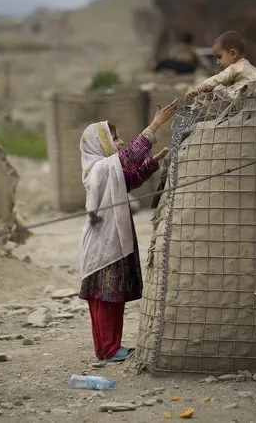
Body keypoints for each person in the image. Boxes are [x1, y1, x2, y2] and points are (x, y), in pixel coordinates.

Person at [78, 101, 177, 362]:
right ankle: (109, 349)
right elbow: (126, 158)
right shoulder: (97, 168)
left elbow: (128, 180)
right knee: (105, 297)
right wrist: (155, 126)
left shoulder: (104, 169)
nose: (120, 142)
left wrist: (150, 165)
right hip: (103, 243)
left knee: (110, 296)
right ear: (98, 144)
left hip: (107, 240)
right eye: (115, 137)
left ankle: (107, 348)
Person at [184, 31, 256, 103]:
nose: (218, 62)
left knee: (216, 88)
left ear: (232, 53)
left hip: (238, 102)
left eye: (219, 57)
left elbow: (217, 78)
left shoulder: (235, 68)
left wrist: (198, 89)